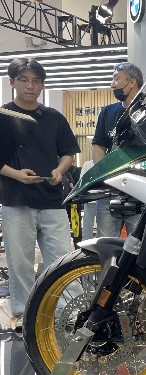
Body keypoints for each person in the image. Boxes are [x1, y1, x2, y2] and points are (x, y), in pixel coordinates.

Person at [0, 58, 80, 330]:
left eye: (36, 81)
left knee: (63, 259)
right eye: (24, 80)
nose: (30, 86)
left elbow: (68, 153)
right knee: (20, 262)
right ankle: (24, 314)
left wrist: (59, 170)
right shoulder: (3, 116)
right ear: (12, 82)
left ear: (43, 85)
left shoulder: (53, 117)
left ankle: (69, 311)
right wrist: (16, 175)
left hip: (52, 199)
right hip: (16, 199)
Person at [92, 62, 143, 237]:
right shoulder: (108, 112)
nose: (112, 84)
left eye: (116, 79)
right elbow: (98, 145)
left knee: (138, 243)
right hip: (110, 190)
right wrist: (102, 173)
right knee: (105, 243)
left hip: (140, 191)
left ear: (132, 82)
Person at [80, 160, 97, 241]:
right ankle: (86, 244)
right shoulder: (87, 164)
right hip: (90, 199)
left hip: (95, 198)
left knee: (88, 225)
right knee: (88, 225)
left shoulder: (88, 164)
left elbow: (82, 180)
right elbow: (82, 180)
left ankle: (86, 244)